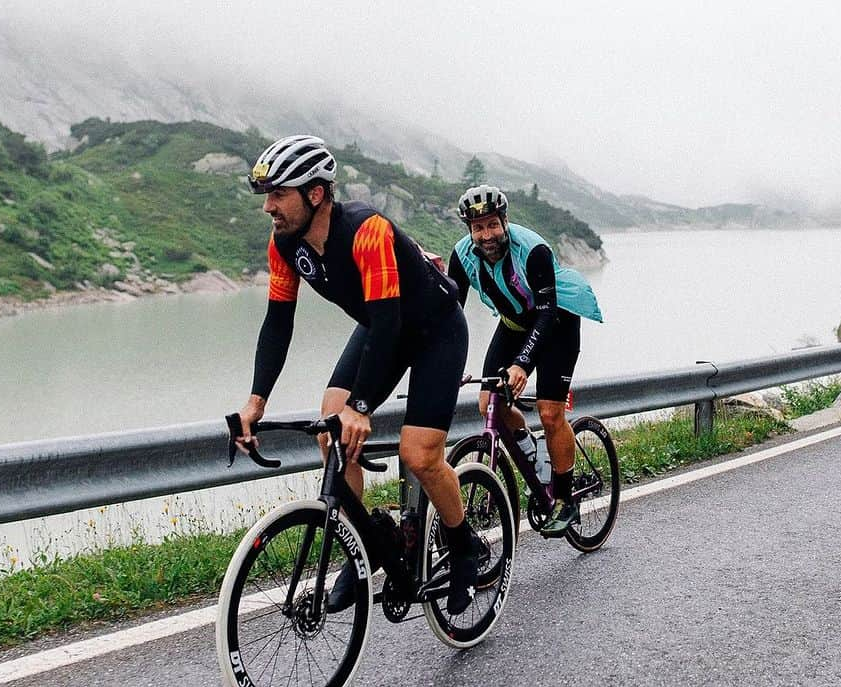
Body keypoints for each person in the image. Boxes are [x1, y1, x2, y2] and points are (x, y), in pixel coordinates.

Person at [234, 135, 482, 614]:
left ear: (315, 193)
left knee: (420, 453)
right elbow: (278, 321)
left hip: (434, 331)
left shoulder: (367, 230)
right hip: (380, 327)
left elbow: (390, 322)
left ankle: (463, 542)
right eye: (266, 196)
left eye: (278, 194)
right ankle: (368, 540)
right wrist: (256, 401)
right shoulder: (284, 245)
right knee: (331, 428)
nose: (268, 207)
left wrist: (363, 406)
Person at [447, 184, 603, 536]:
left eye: (492, 225)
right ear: (469, 230)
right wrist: (447, 364)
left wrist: (521, 364)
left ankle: (566, 500)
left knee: (550, 412)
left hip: (557, 321)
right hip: (515, 323)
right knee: (488, 401)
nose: (486, 235)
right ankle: (532, 453)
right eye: (477, 228)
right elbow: (450, 315)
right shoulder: (463, 256)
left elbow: (546, 314)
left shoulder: (532, 251)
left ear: (505, 221)